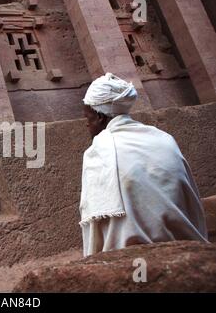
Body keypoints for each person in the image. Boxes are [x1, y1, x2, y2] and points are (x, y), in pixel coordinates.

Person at [80, 72, 208, 257]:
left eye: (87, 119)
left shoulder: (101, 148)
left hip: (131, 260)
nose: (87, 125)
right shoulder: (164, 138)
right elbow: (190, 201)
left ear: (100, 117)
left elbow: (95, 220)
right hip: (186, 247)